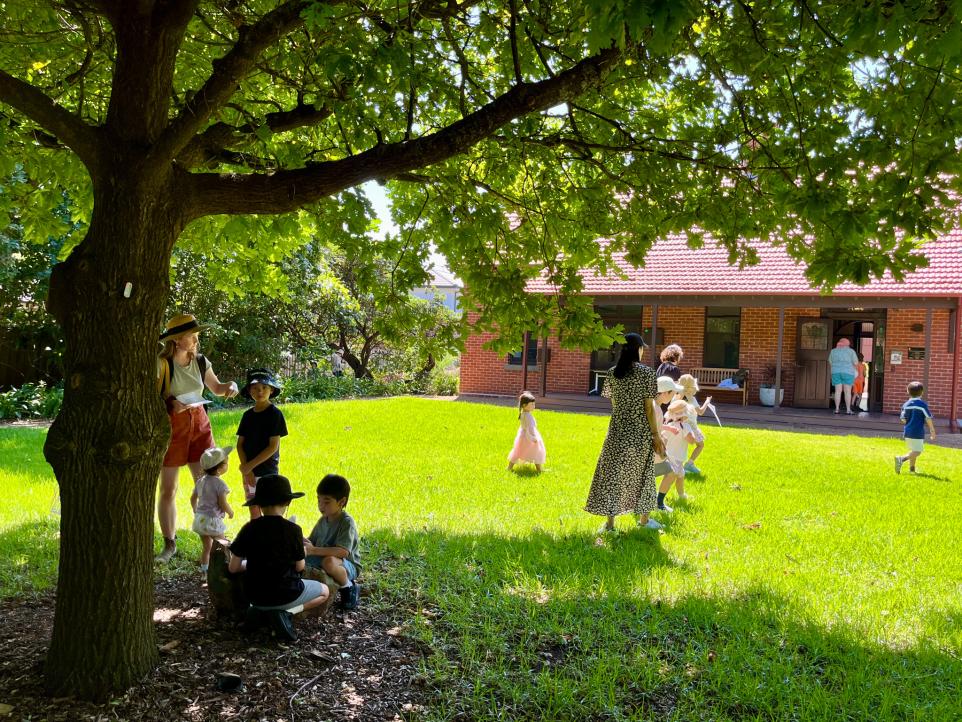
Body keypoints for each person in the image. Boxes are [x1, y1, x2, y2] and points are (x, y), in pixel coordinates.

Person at [156, 313, 238, 563]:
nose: (195, 340)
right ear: (177, 340)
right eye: (191, 336)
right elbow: (150, 397)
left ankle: (213, 540)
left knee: (208, 486)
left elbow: (216, 387)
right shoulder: (162, 364)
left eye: (196, 335)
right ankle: (169, 544)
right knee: (168, 488)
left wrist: (230, 387)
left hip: (200, 425)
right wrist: (171, 404)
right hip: (173, 427)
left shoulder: (201, 361)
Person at [228, 474, 330, 640]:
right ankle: (285, 613)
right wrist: (303, 552)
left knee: (260, 599)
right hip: (287, 593)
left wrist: (253, 563)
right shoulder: (293, 530)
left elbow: (233, 568)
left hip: (254, 595)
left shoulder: (249, 528)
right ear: (288, 502)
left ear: (259, 504)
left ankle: (259, 613)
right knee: (324, 591)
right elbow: (300, 567)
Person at [585, 333, 667, 532]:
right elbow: (649, 407)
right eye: (642, 348)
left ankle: (610, 524)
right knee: (643, 475)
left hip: (617, 430)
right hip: (640, 431)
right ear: (637, 349)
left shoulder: (613, 372)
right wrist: (655, 434)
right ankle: (644, 521)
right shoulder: (647, 373)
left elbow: (614, 403)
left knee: (613, 475)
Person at [304, 474, 363, 610]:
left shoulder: (346, 522)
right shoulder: (323, 520)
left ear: (341, 502)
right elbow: (313, 542)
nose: (320, 506)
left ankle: (349, 587)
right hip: (322, 557)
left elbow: (342, 551)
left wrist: (313, 550)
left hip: (347, 564)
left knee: (329, 562)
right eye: (318, 500)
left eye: (326, 502)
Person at [237, 368, 288, 520]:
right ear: (249, 391)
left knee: (271, 510)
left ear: (271, 390)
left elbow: (273, 446)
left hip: (268, 472)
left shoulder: (275, 414)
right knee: (253, 509)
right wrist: (247, 469)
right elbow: (240, 445)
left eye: (264, 387)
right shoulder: (247, 416)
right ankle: (257, 540)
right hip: (249, 472)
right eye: (255, 388)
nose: (260, 391)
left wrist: (249, 466)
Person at [190, 445, 235, 573]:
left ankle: (205, 572)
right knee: (223, 544)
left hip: (200, 520)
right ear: (220, 469)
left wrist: (195, 511)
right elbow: (222, 502)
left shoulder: (200, 481)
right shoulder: (220, 484)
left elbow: (192, 498)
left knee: (207, 548)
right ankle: (230, 569)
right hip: (212, 521)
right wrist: (230, 512)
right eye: (226, 463)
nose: (227, 465)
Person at [653, 376, 684, 513]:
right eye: (672, 393)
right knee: (671, 473)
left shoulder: (652, 405)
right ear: (665, 393)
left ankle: (653, 504)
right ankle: (658, 504)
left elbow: (655, 427)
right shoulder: (657, 410)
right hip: (653, 453)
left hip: (647, 452)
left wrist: (667, 429)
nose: (673, 396)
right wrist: (662, 447)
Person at [895, 381, 937, 474]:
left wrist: (910, 420)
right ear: (922, 392)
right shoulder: (922, 405)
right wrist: (932, 430)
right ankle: (901, 459)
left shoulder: (906, 405)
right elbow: (928, 418)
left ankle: (912, 470)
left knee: (913, 450)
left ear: (907, 391)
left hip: (908, 431)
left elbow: (903, 420)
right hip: (917, 432)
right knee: (917, 451)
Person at [676, 374, 711, 475]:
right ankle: (689, 464)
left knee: (681, 447)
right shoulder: (692, 399)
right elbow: (700, 412)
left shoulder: (676, 397)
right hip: (691, 427)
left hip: (678, 426)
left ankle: (678, 466)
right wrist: (707, 402)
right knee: (700, 445)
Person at [507, 390, 546, 472]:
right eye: (531, 404)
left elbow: (525, 427)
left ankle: (509, 467)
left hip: (522, 435)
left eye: (534, 404)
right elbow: (530, 428)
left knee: (517, 451)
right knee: (536, 451)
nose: (533, 406)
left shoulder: (524, 414)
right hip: (529, 436)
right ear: (524, 405)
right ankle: (539, 469)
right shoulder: (528, 416)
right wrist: (534, 438)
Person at [828, 338, 860, 415]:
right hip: (848, 372)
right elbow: (856, 363)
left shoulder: (833, 351)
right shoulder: (851, 351)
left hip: (836, 372)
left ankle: (837, 409)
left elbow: (830, 361)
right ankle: (848, 410)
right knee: (847, 392)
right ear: (847, 344)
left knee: (837, 391)